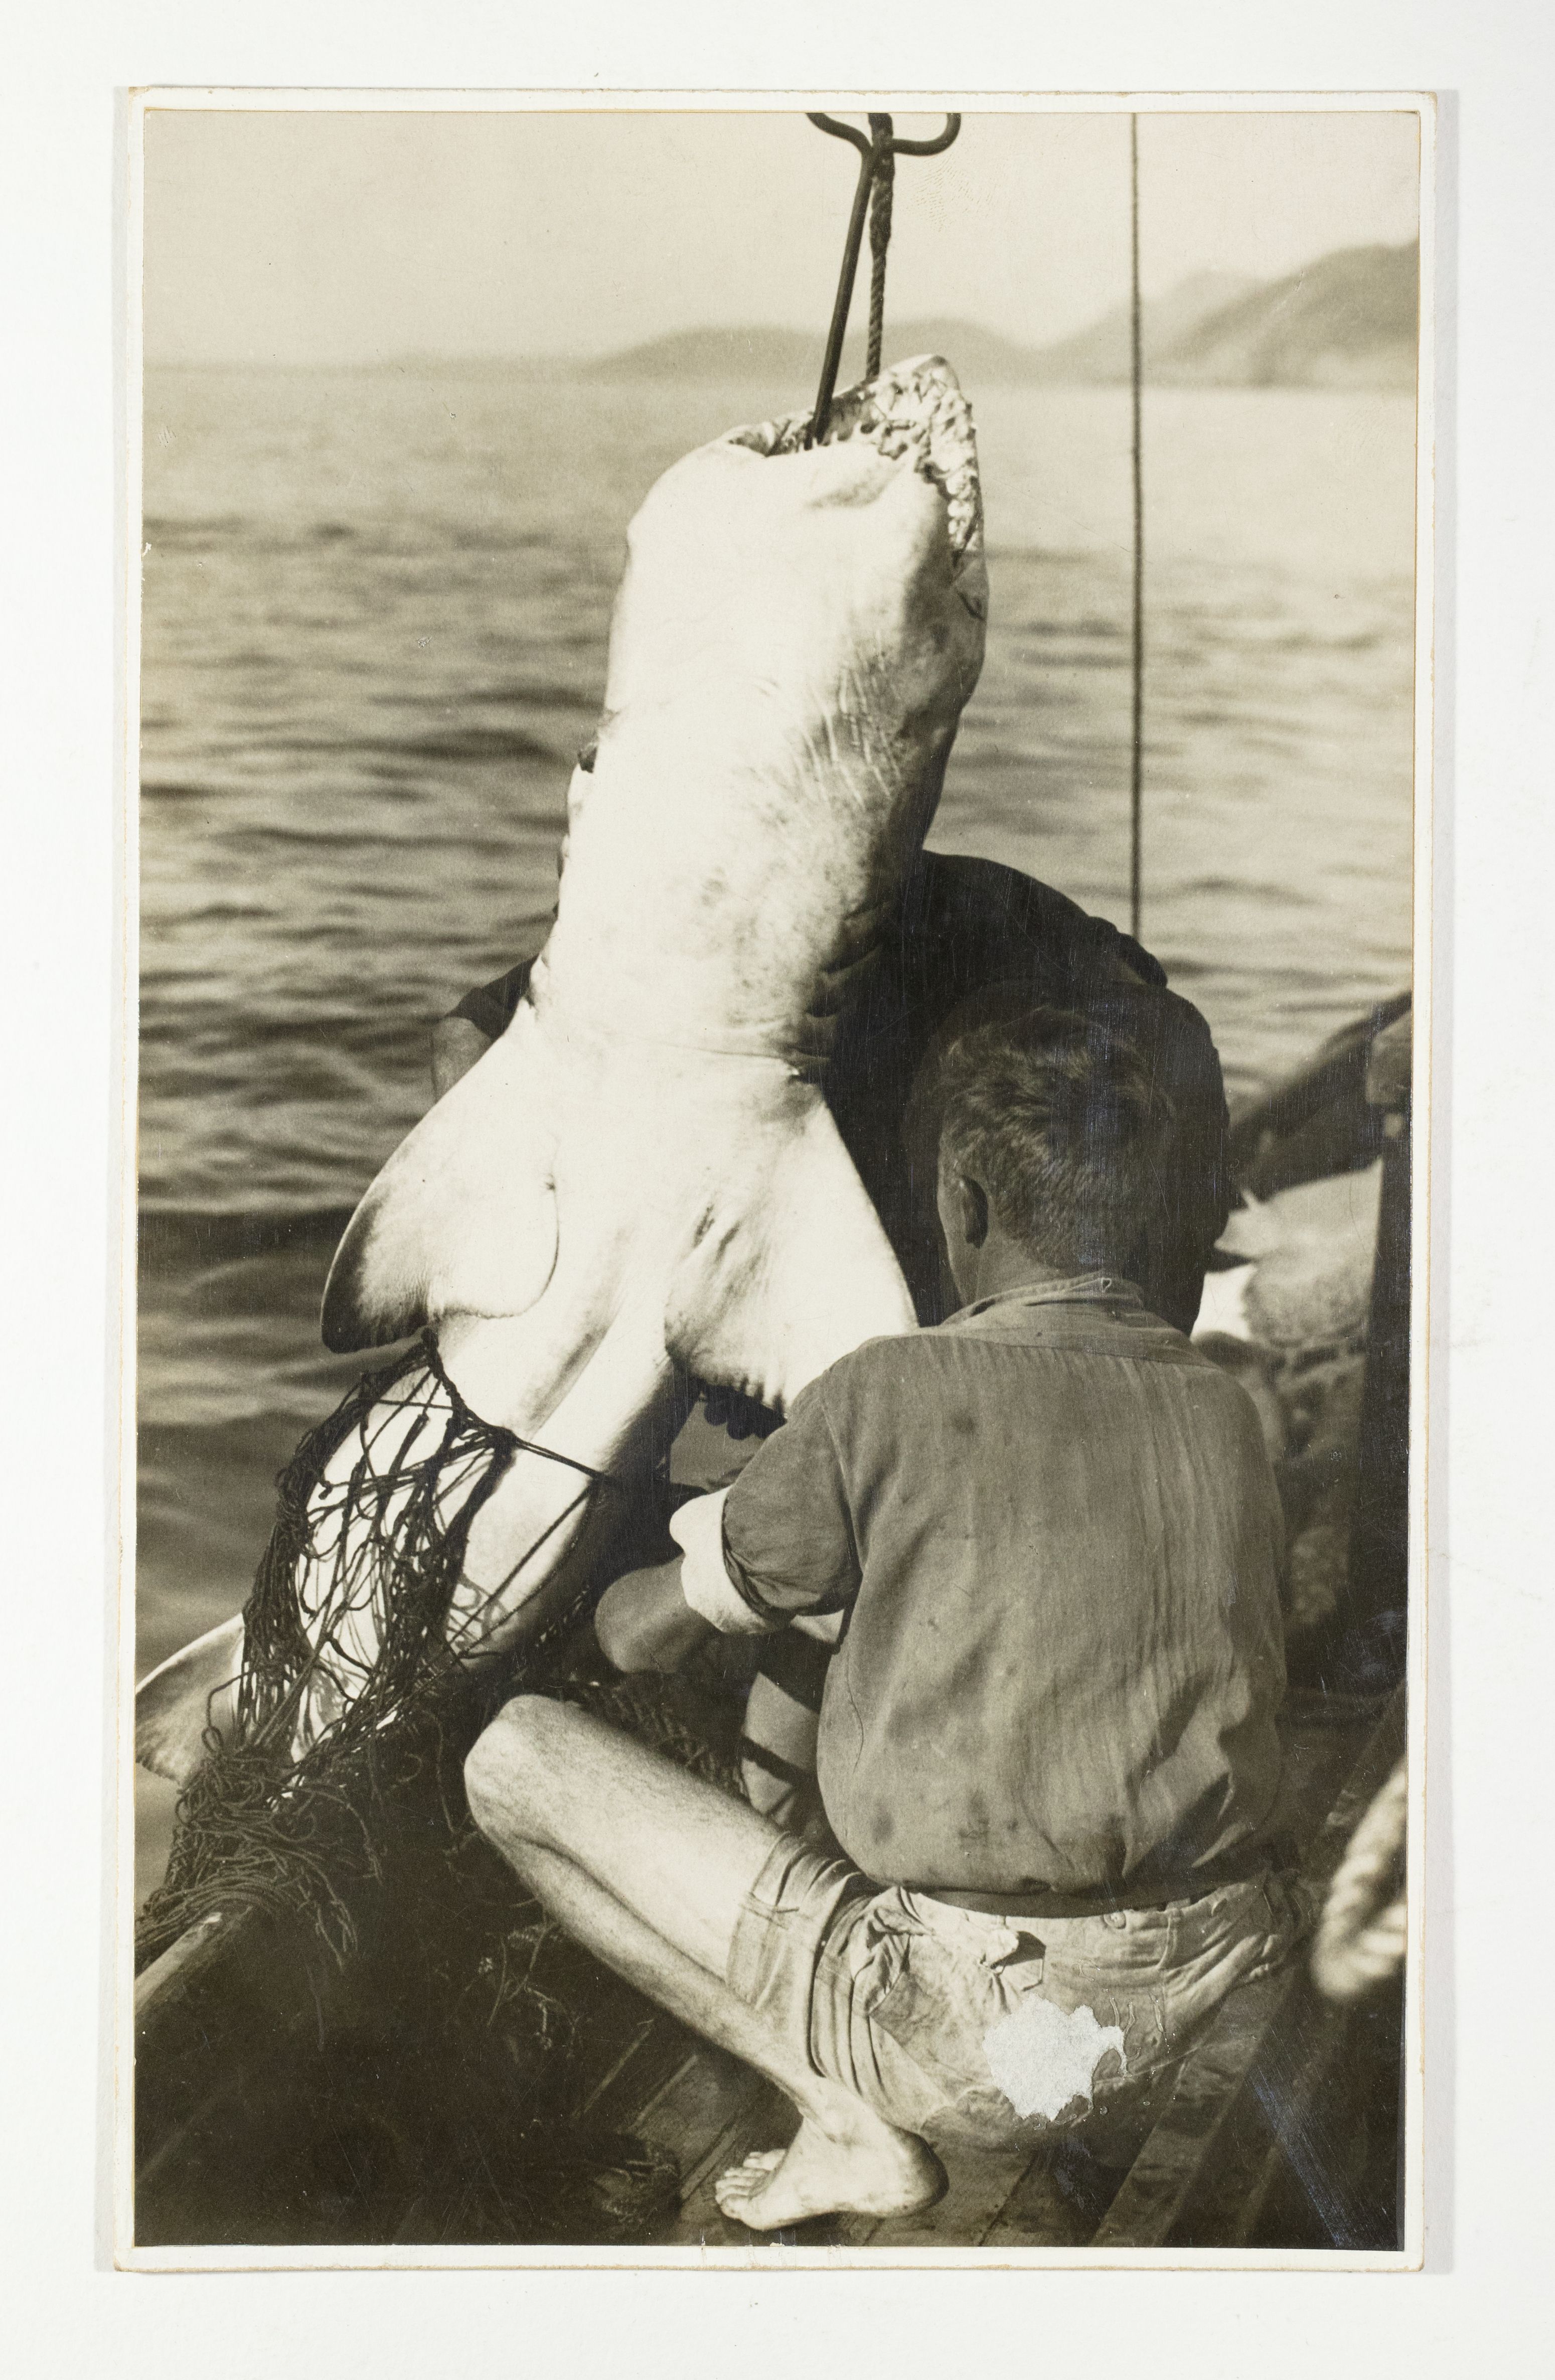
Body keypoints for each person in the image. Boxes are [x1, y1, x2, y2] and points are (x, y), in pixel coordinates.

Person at [462, 1006, 1304, 2232]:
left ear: (961, 1205)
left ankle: (846, 2125)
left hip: (987, 2048)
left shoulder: (883, 1392)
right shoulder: (1220, 1405)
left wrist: (648, 1575)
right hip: (1203, 1997)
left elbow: (643, 1638)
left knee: (512, 1758)